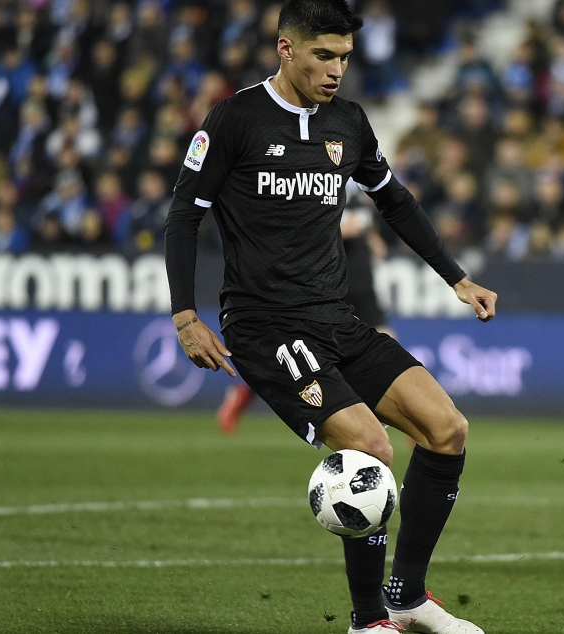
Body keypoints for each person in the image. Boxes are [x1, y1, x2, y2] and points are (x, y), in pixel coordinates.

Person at [163, 2, 496, 633]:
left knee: (447, 428)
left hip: (336, 320)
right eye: (324, 55)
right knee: (369, 447)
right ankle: (368, 621)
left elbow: (393, 201)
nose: (337, 69)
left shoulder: (349, 121)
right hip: (265, 326)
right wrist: (186, 315)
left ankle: (406, 595)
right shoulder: (235, 120)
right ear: (286, 50)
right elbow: (184, 215)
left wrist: (457, 277)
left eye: (344, 57)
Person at [216, 189, 396, 435]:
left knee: (387, 344)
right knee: (303, 358)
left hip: (364, 288)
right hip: (331, 285)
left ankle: (410, 422)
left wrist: (374, 239)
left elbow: (368, 225)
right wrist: (347, 228)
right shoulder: (317, 193)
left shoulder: (360, 198)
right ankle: (242, 395)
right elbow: (311, 229)